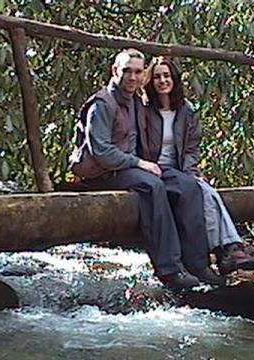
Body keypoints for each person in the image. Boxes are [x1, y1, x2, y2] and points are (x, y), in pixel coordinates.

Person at [69, 49, 224, 290]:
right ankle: (170, 269)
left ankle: (197, 263)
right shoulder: (101, 104)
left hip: (131, 166)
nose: (132, 77)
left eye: (138, 72)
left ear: (143, 76)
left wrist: (184, 167)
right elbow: (101, 152)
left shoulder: (136, 103)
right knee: (153, 186)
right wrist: (139, 163)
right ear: (114, 71)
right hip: (102, 173)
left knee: (188, 185)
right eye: (127, 71)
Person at [143, 57, 254, 275]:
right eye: (157, 76)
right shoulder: (144, 110)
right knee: (202, 191)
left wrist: (190, 172)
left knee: (206, 191)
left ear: (175, 79)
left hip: (179, 171)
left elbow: (191, 149)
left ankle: (228, 249)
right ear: (150, 81)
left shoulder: (186, 111)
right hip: (153, 170)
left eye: (166, 76)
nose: (162, 81)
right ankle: (227, 249)